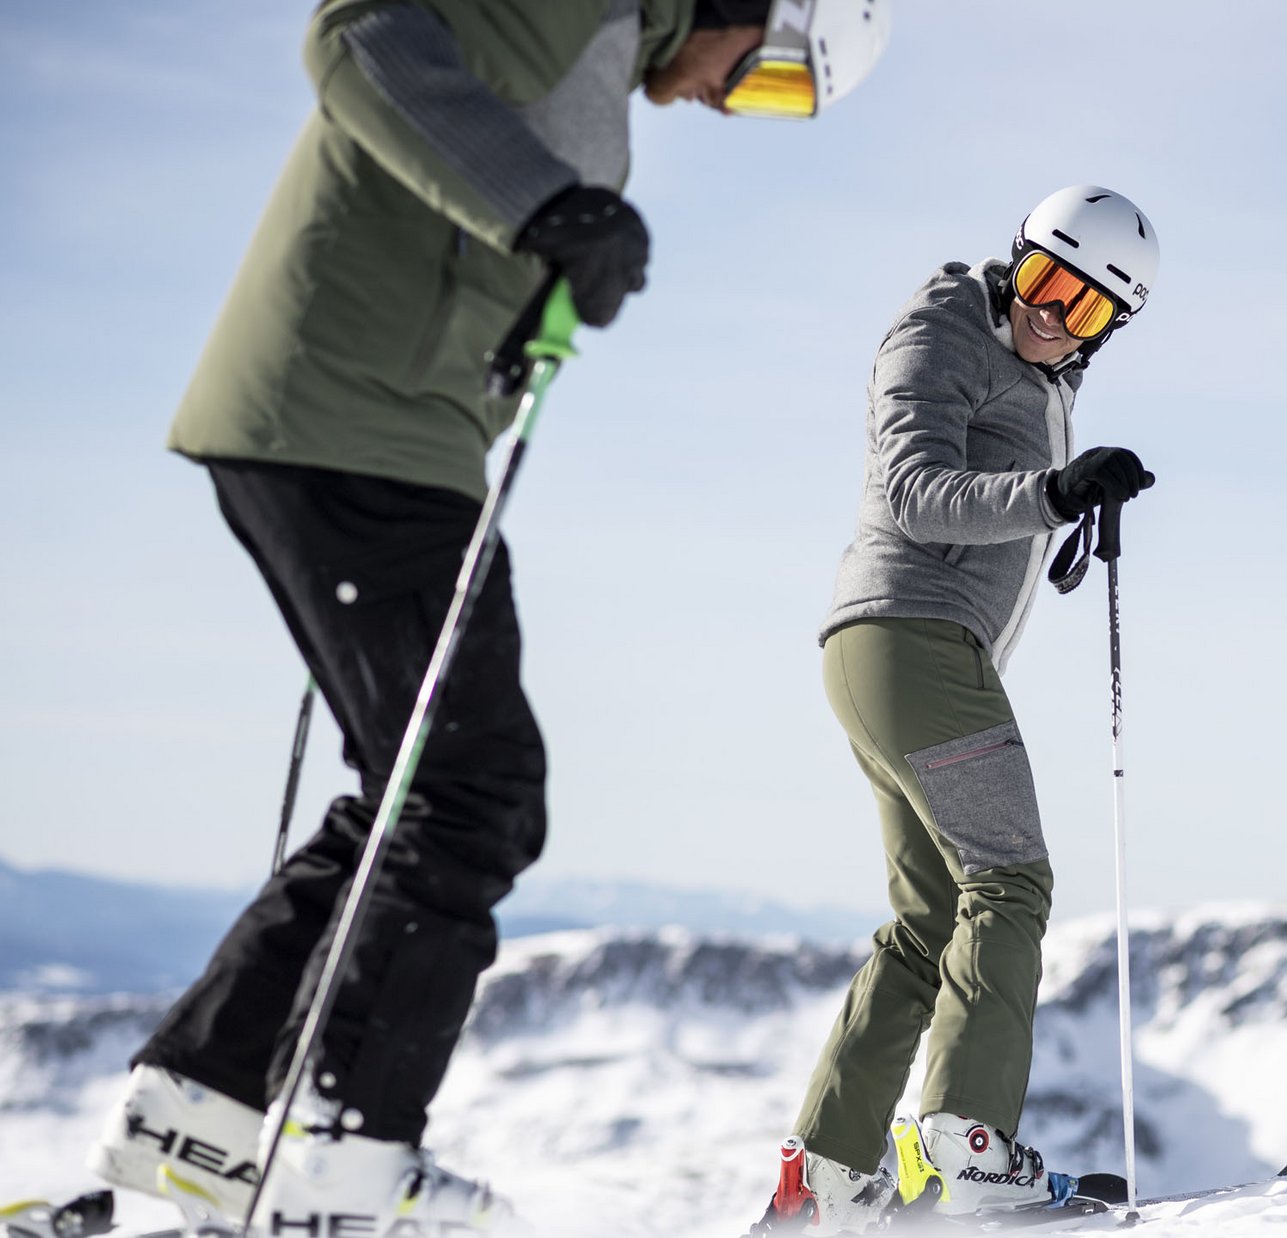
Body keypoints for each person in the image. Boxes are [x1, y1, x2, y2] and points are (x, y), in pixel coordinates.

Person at [82, 0, 891, 1231]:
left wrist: (527, 268)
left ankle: (204, 1109)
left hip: (380, 430)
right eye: (767, 78)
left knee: (419, 786)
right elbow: (359, 35)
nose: (725, 102)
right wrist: (547, 209)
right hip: (347, 424)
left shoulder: (612, 52)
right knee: (474, 790)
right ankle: (341, 1160)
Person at [755, 186, 1162, 1235]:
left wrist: (1059, 522)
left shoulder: (1033, 371)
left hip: (896, 650)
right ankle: (970, 1150)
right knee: (1009, 879)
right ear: (1013, 259)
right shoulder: (942, 328)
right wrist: (1052, 495)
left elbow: (996, 495)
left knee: (929, 918)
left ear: (1109, 327)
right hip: (912, 641)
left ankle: (827, 1178)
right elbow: (914, 490)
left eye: (1086, 310)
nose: (1053, 315)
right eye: (1043, 282)